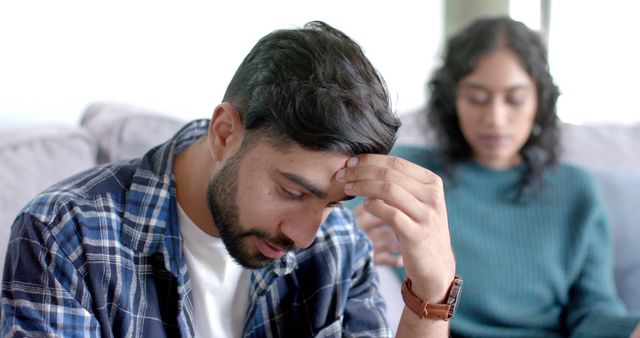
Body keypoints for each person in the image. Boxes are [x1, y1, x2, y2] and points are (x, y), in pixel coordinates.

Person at [1, 21, 457, 337]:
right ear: (224, 133)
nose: (305, 235)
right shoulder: (64, 236)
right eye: (292, 191)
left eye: (332, 205)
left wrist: (431, 296)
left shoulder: (338, 246)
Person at [354, 17, 640, 337]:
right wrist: (351, 240)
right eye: (477, 98)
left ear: (539, 101)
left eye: (515, 99)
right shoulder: (411, 173)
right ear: (452, 100)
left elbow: (592, 313)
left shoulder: (576, 189)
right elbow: (324, 222)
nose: (495, 119)